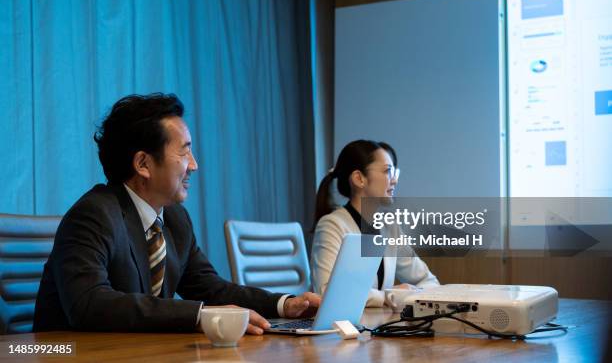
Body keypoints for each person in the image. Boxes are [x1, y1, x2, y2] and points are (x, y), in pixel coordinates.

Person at [33, 93, 320, 333]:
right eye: (184, 153)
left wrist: (285, 304)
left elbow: (210, 287)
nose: (193, 165)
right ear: (143, 164)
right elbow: (90, 305)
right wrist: (198, 316)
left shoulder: (174, 219)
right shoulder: (94, 215)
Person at [310, 139, 439, 307]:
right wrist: (389, 296)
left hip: (379, 326)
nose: (394, 180)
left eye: (394, 173)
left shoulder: (389, 226)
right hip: (347, 329)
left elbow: (427, 280)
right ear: (359, 179)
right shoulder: (332, 225)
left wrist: (410, 295)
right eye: (387, 172)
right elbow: (327, 292)